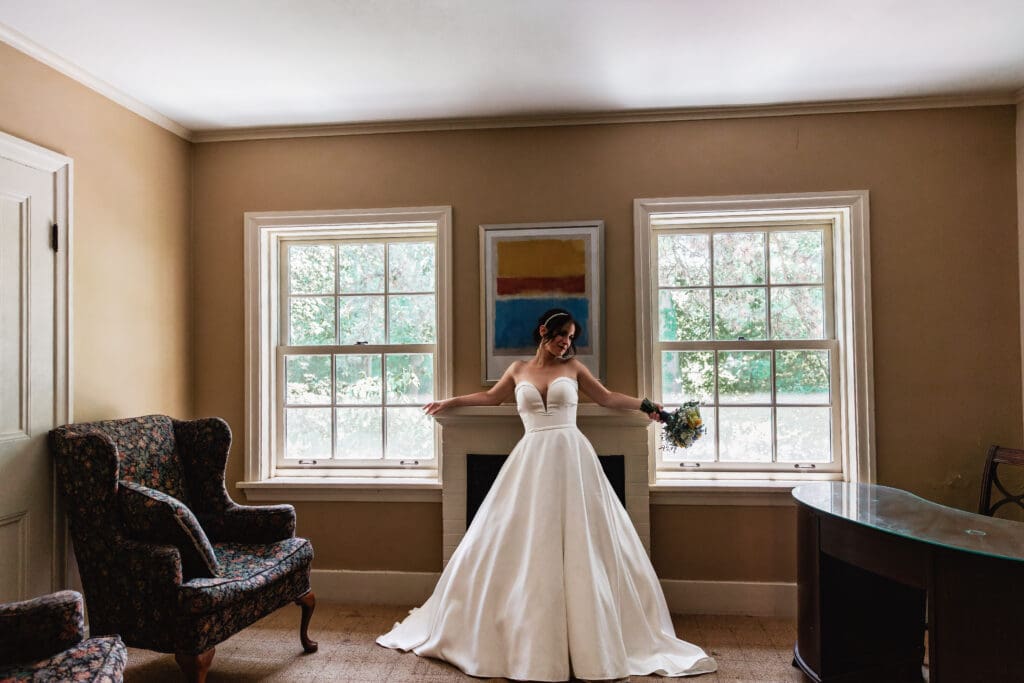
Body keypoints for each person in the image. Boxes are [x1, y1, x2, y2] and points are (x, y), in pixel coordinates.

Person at [377, 308, 717, 681]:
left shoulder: (574, 369)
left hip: (572, 456)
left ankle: (592, 640)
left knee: (584, 542)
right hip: (531, 457)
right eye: (562, 335)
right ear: (544, 330)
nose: (566, 343)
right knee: (522, 541)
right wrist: (451, 402)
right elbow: (491, 398)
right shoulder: (518, 370)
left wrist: (652, 409)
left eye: (571, 338)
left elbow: (606, 398)